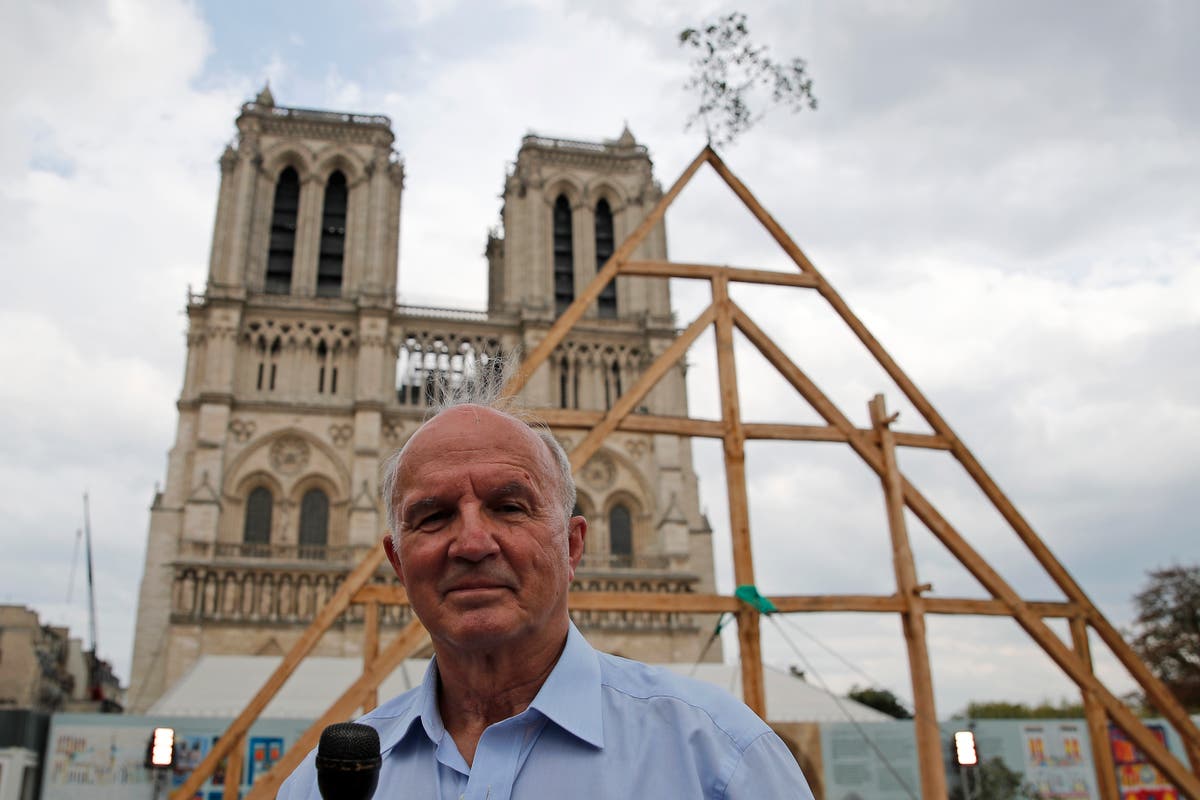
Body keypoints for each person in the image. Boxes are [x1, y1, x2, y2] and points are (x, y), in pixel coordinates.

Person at [279, 382, 814, 798]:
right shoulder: (318, 787)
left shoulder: (721, 760)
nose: (471, 543)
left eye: (509, 507)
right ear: (397, 562)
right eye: (434, 516)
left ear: (573, 545)